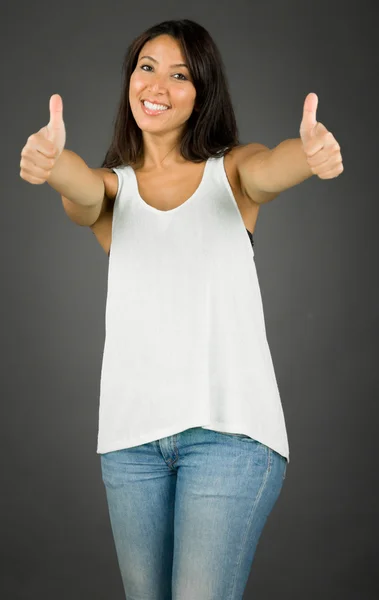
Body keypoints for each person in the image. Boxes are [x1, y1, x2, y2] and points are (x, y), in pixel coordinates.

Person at [19, 18, 343, 600]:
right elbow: (83, 191)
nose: (158, 85)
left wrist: (310, 155)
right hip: (130, 446)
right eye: (147, 68)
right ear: (130, 81)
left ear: (203, 93)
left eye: (180, 75)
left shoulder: (233, 174)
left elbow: (274, 167)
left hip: (229, 436)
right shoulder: (113, 192)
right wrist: (52, 162)